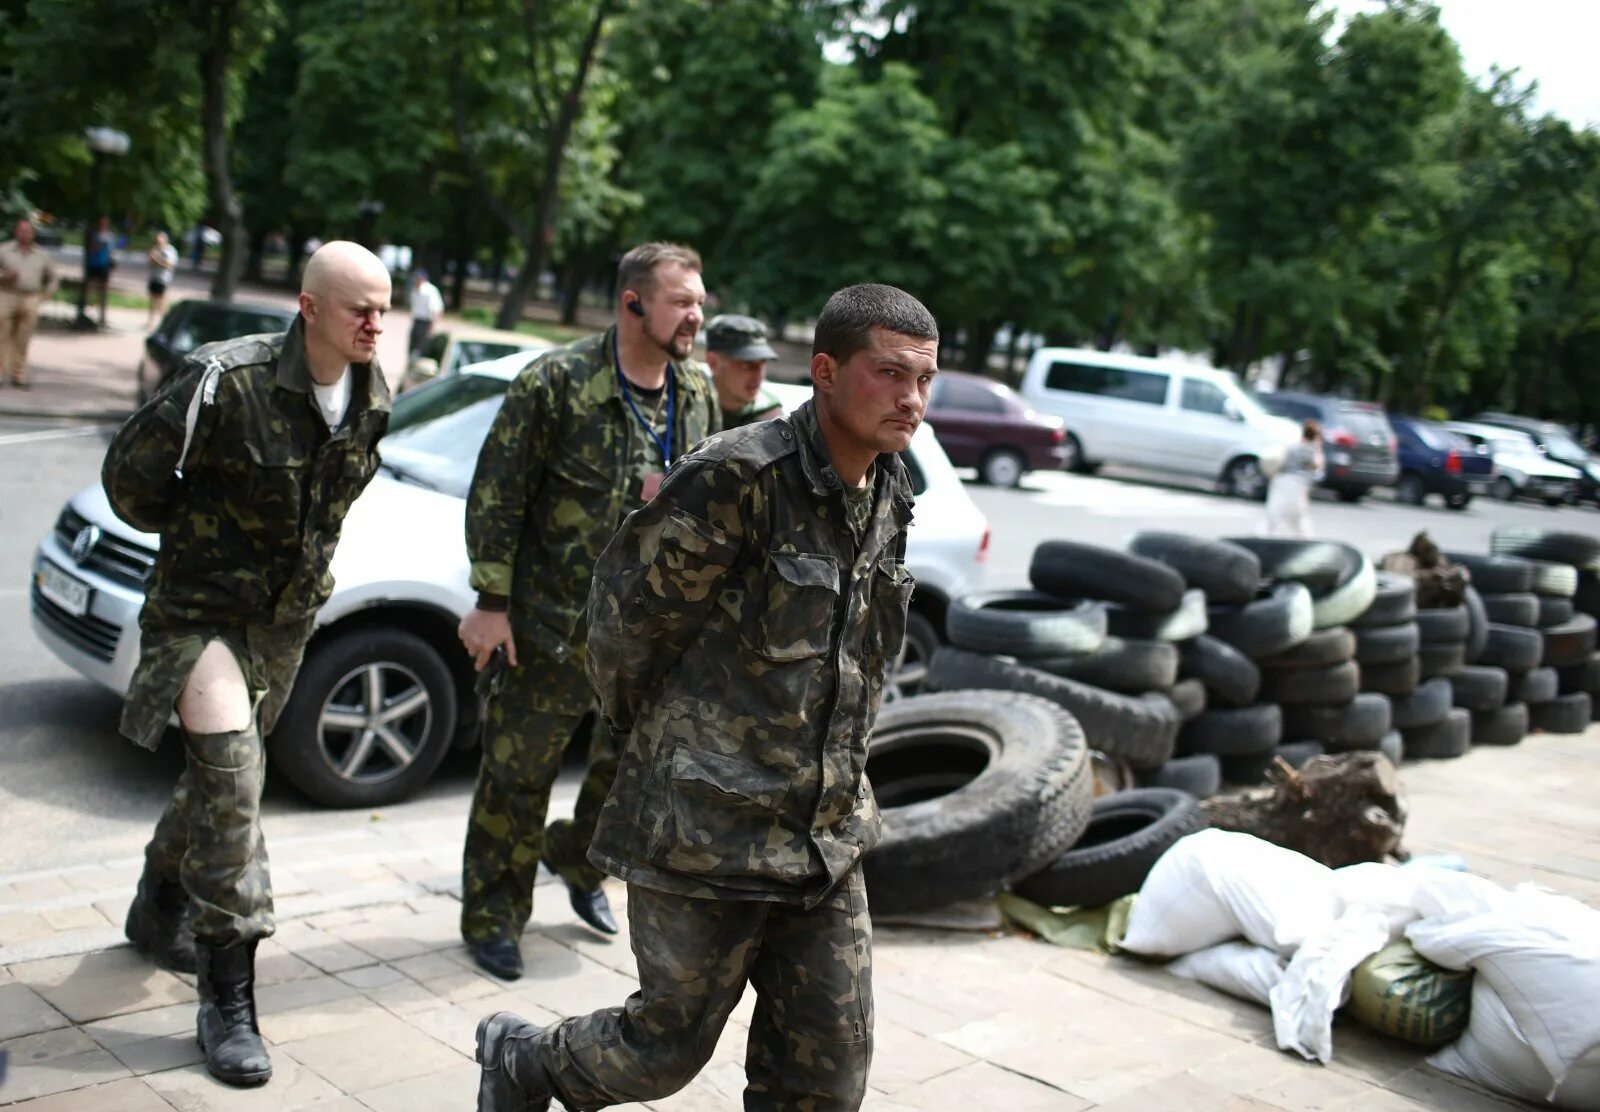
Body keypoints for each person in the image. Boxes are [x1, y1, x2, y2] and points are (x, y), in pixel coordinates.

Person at [474, 283, 935, 1112]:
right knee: (664, 1048)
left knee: (828, 1074)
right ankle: (527, 1060)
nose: (912, 399)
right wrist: (674, 755)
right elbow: (622, 629)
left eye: (925, 381)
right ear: (826, 372)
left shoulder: (892, 488)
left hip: (824, 837)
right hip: (706, 827)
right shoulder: (738, 476)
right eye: (891, 374)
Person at [101, 241, 393, 1088]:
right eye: (357, 309)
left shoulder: (377, 393)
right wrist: (202, 548)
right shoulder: (224, 380)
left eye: (383, 306)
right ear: (308, 308)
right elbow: (131, 485)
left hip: (284, 626)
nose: (376, 323)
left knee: (221, 779)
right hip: (201, 617)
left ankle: (157, 907)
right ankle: (230, 1000)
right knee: (234, 783)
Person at [456, 241, 719, 981]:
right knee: (516, 780)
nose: (696, 314)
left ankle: (575, 863)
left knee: (627, 780)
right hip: (548, 627)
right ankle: (494, 918)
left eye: (700, 300)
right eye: (681, 300)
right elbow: (498, 494)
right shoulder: (557, 383)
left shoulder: (696, 393)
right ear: (632, 303)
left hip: (646, 636)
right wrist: (491, 602)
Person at [0, 218, 60, 388]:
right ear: (16, 232)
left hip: (30, 297)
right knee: (1, 335)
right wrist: (3, 276)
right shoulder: (4, 250)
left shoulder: (41, 255)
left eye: (28, 231)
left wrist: (48, 293)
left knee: (23, 338)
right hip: (6, 294)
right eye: (21, 230)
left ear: (33, 234)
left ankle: (18, 375)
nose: (24, 234)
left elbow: (53, 276)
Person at [705, 312, 782, 428]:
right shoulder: (688, 404)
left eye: (762, 363)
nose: (759, 375)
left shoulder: (769, 419)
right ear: (713, 363)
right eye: (747, 364)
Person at [1265, 419, 1323, 537]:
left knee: (1277, 512)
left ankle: (1272, 535)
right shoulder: (1311, 450)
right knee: (1297, 515)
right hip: (1297, 484)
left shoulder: (1293, 447)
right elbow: (1317, 466)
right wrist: (1318, 449)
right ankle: (1300, 539)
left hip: (1280, 480)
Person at [85, 215, 115, 327]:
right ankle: (88, 310)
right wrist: (98, 245)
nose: (103, 224)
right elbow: (91, 249)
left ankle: (101, 315)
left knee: (104, 290)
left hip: (104, 265)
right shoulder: (94, 235)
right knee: (90, 287)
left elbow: (112, 251)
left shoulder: (110, 236)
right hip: (94, 264)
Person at [145, 231, 179, 330]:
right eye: (157, 241)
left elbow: (169, 264)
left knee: (162, 303)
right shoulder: (155, 249)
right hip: (154, 277)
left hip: (163, 279)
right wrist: (153, 259)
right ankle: (150, 322)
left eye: (160, 240)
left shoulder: (170, 251)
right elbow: (151, 264)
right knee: (152, 301)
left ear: (165, 240)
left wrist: (157, 259)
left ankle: (166, 323)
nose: (158, 243)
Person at [408, 268, 444, 356]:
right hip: (417, 320)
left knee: (421, 346)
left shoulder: (429, 291)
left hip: (426, 322)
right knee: (412, 344)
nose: (416, 280)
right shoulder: (415, 290)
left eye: (418, 278)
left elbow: (437, 309)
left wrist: (433, 326)